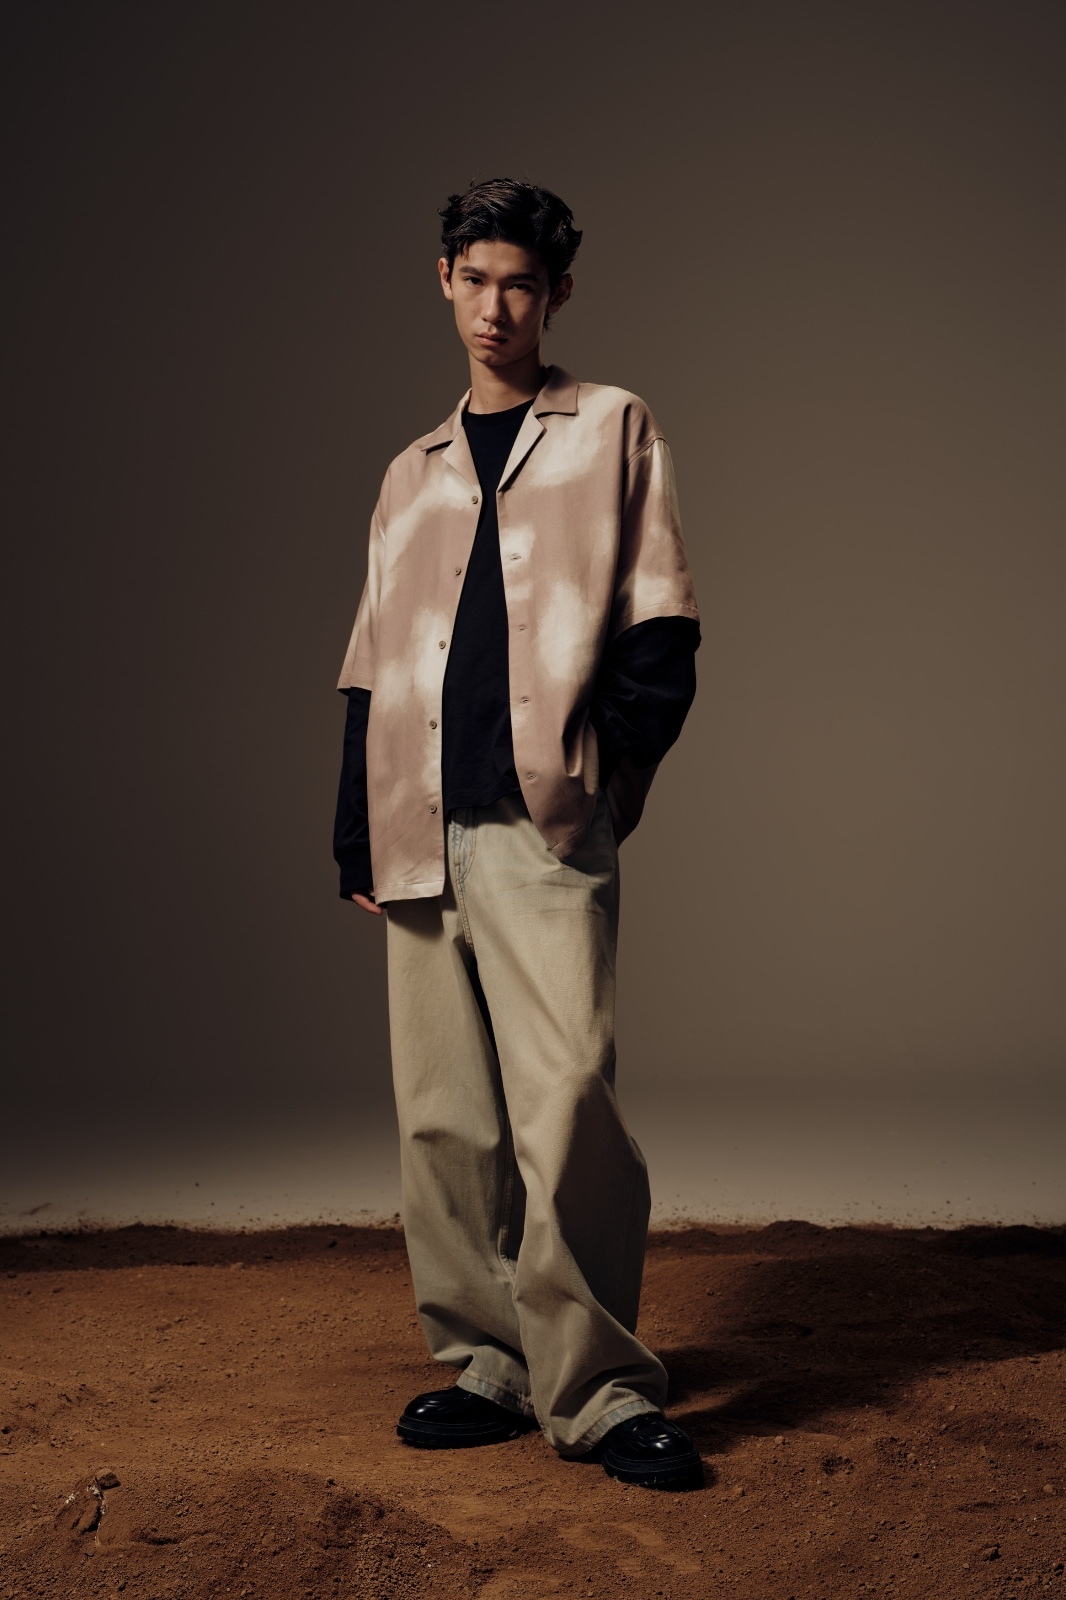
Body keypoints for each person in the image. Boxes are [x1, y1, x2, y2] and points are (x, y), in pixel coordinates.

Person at [333, 178, 702, 1489]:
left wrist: (607, 777)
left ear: (556, 294)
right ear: (444, 280)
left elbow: (661, 627)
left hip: (541, 821)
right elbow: (373, 664)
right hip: (414, 825)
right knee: (445, 1120)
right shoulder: (409, 472)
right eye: (476, 280)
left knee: (566, 1102)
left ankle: (598, 1387)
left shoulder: (612, 427)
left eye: (521, 286)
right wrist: (354, 832)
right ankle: (489, 1361)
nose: (496, 308)